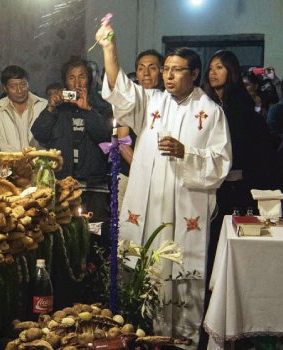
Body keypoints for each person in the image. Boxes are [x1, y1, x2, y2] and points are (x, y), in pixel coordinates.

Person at [97, 22, 231, 344]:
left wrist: (187, 152)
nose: (168, 75)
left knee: (181, 275)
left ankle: (182, 340)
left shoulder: (210, 112)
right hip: (149, 210)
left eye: (177, 70)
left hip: (185, 212)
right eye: (166, 69)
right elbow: (120, 90)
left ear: (194, 73)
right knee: (143, 271)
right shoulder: (152, 102)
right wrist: (109, 49)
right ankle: (141, 335)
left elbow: (222, 162)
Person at [199, 49, 278, 349]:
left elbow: (253, 152)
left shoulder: (240, 108)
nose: (213, 72)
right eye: (211, 67)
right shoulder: (206, 106)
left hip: (236, 193)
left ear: (231, 71)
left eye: (220, 67)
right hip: (212, 192)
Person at [32, 58, 112, 225]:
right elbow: (39, 133)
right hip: (63, 186)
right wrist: (51, 108)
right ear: (65, 82)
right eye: (71, 77)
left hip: (94, 187)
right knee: (66, 234)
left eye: (82, 76)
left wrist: (88, 110)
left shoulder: (102, 105)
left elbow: (107, 136)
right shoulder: (58, 109)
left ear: (89, 79)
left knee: (94, 237)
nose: (77, 82)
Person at [116, 50, 165, 206]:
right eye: (141, 68)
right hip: (130, 172)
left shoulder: (169, 101)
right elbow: (123, 142)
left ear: (162, 71)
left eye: (152, 68)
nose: (146, 73)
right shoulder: (129, 100)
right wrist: (142, 167)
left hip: (161, 175)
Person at [0, 65, 48, 151]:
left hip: (39, 162)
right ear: (5, 88)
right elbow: (0, 142)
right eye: (13, 87)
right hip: (11, 162)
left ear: (28, 84)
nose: (20, 90)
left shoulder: (42, 105)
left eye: (23, 84)